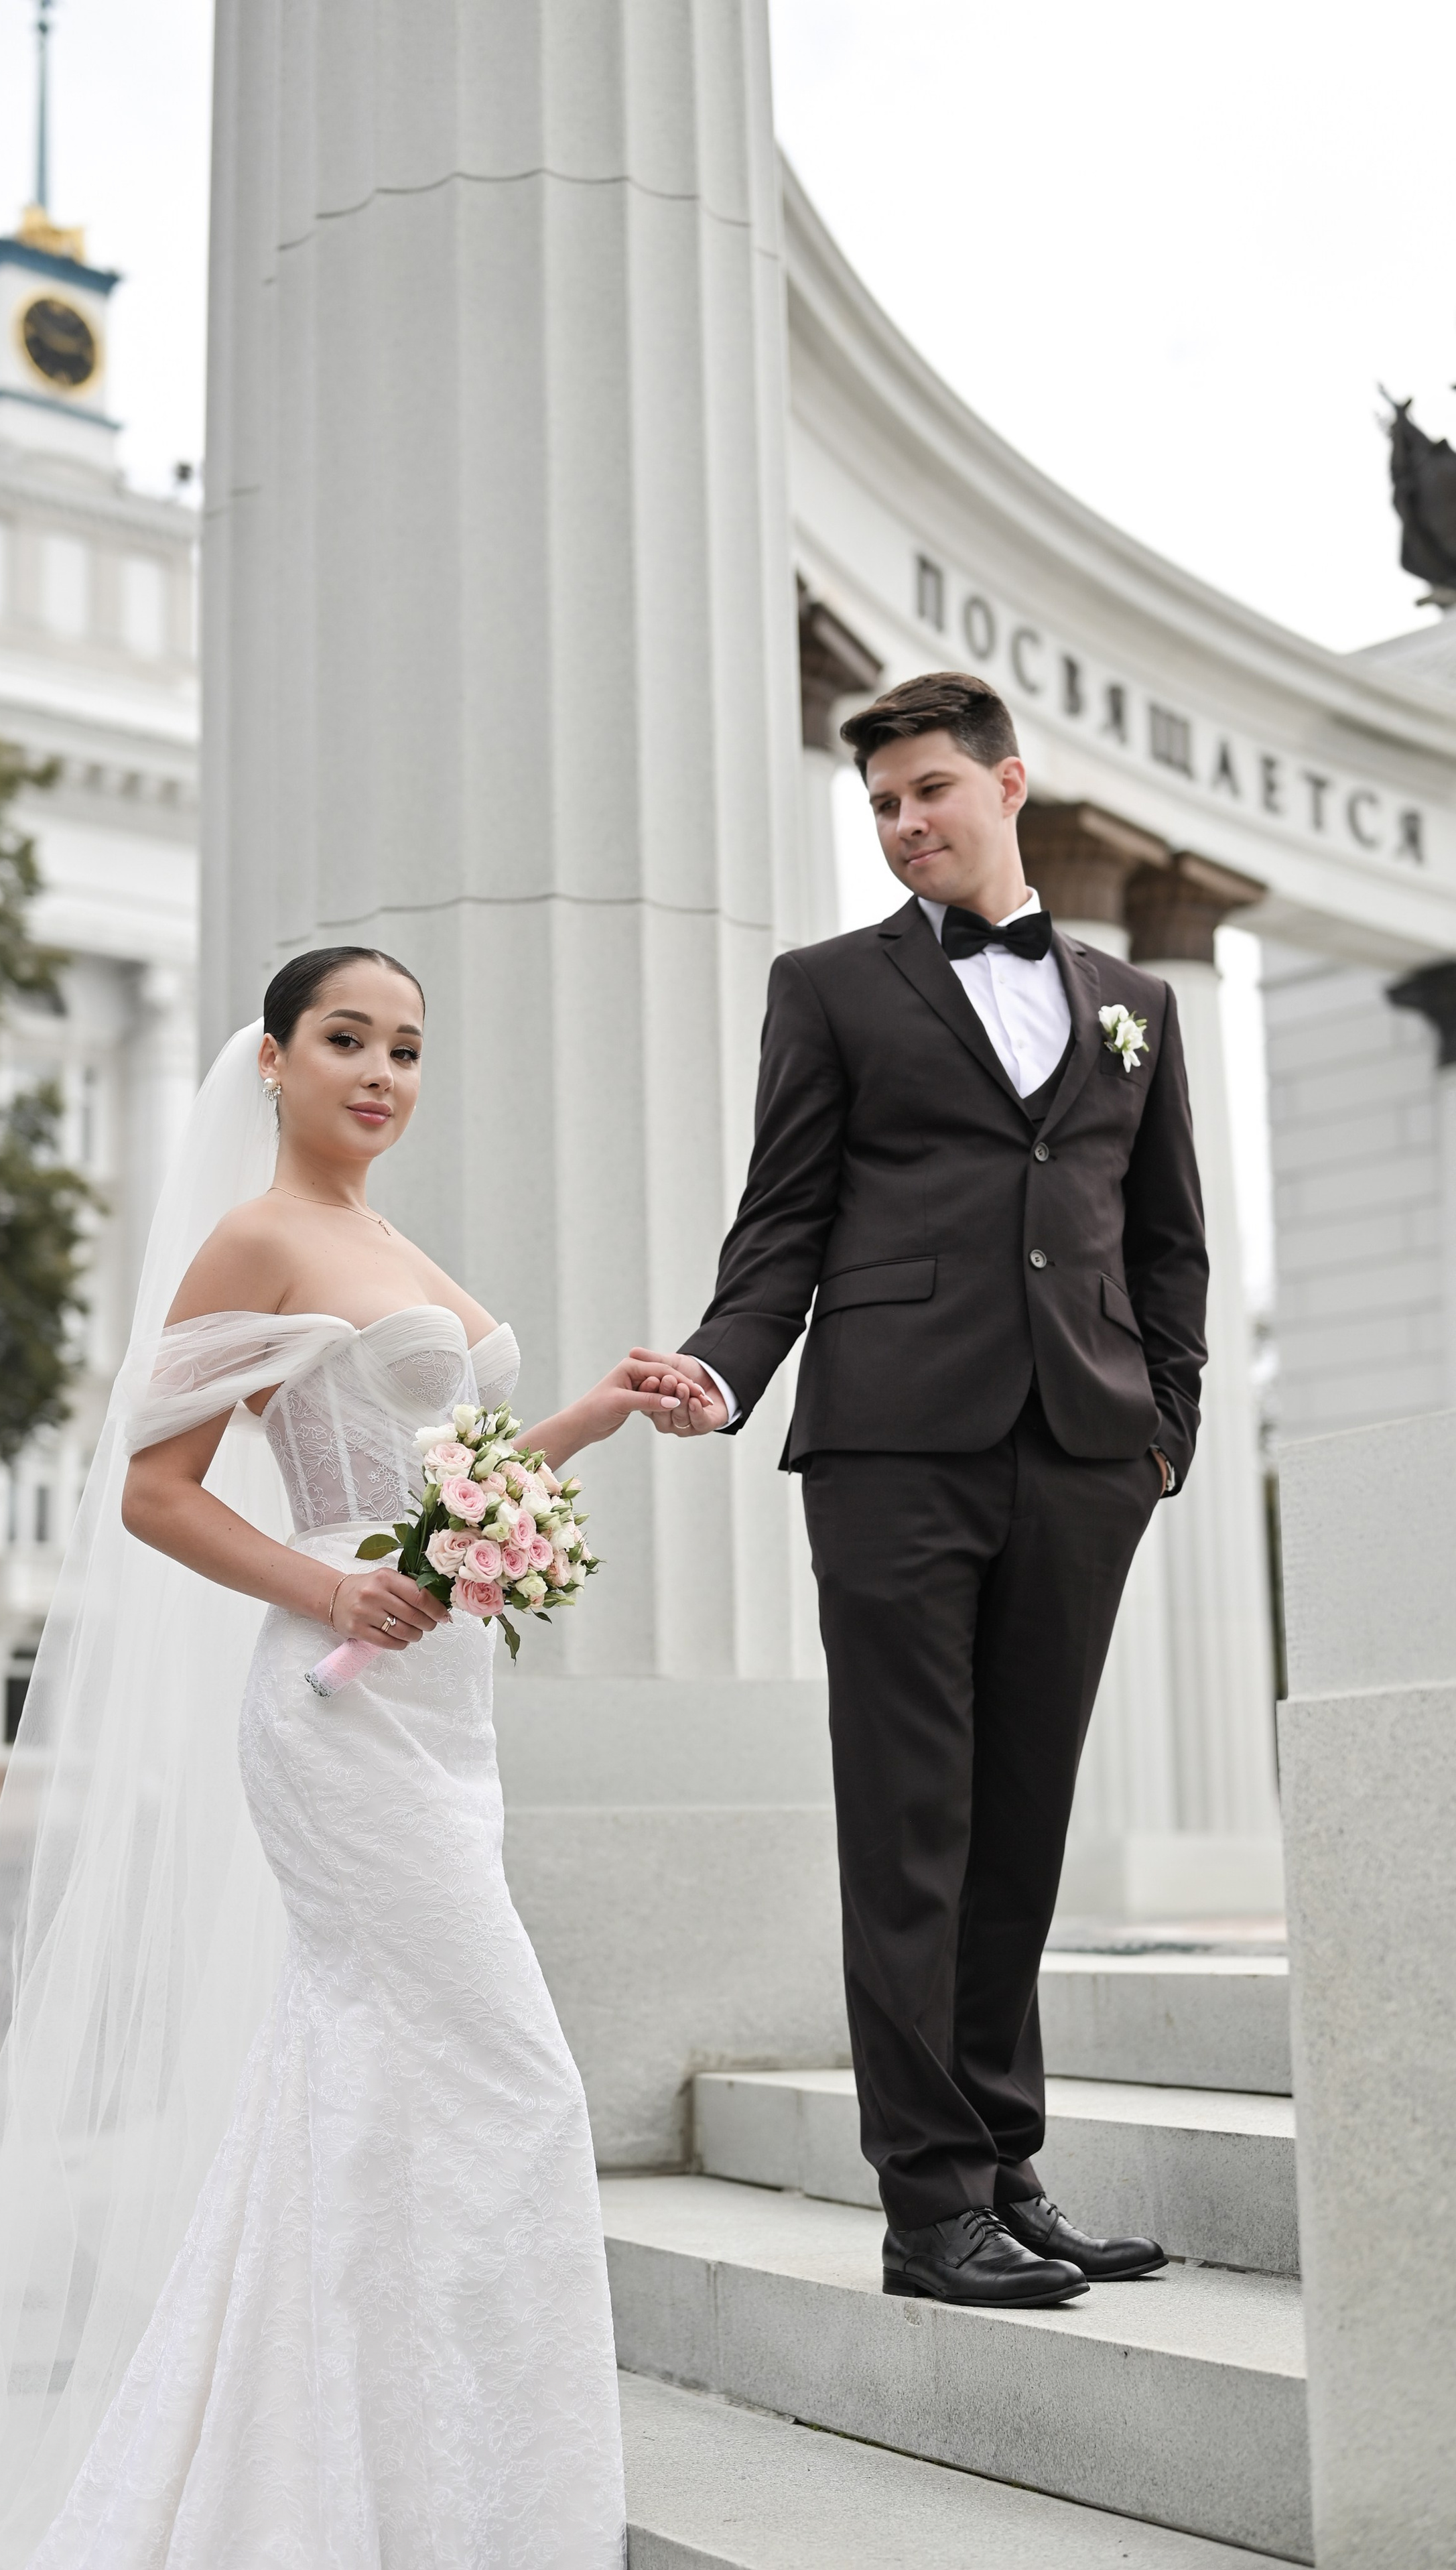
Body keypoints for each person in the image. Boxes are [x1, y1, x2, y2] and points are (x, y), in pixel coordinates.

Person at [0, 947, 698, 2570]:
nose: (380, 1073)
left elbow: (458, 1481)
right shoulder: (259, 1236)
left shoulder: (385, 1240)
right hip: (334, 1705)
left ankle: (352, 2477)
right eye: (346, 1040)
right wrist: (325, 1583)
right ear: (273, 1061)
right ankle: (466, 2498)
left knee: (367, 2084)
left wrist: (592, 1413)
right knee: (509, 2081)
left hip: (445, 1710)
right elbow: (152, 1489)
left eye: (406, 1049)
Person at [632, 671, 1206, 2309]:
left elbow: (1166, 1246)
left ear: (1006, 783)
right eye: (878, 806)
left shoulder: (1131, 1004)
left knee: (1019, 1826)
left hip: (1085, 1455)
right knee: (911, 1826)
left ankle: (1004, 2170)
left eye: (927, 792)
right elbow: (782, 1221)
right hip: (890, 1450)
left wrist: (1161, 1427)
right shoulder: (825, 988)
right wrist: (725, 1367)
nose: (900, 827)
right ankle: (925, 2208)